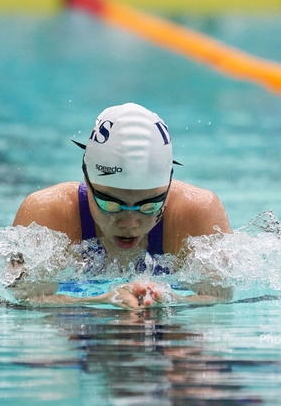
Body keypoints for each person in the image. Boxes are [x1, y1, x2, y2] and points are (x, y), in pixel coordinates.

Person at [12, 103, 232, 309]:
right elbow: (23, 298)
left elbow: (221, 298)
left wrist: (170, 300)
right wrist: (102, 300)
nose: (129, 222)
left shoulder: (196, 212)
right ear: (86, 180)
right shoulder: (47, 213)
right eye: (111, 204)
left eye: (149, 205)